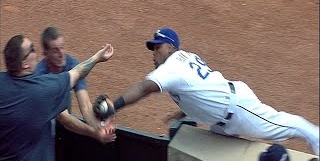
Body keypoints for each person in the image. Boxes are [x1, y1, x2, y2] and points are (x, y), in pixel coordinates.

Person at [110, 27, 319, 155]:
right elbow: (198, 90)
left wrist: (114, 105)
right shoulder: (183, 60)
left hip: (239, 110)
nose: (154, 53)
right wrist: (183, 112)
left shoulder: (172, 67)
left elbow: (143, 87)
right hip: (222, 118)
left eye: (158, 47)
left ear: (172, 48)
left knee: (290, 126)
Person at [0, 34, 116, 160]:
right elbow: (77, 74)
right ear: (24, 64)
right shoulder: (41, 90)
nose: (35, 51)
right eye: (32, 49)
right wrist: (97, 57)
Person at [35, 26, 104, 144]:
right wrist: (94, 133)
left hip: (62, 118)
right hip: (40, 124)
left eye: (62, 47)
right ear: (46, 54)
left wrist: (99, 128)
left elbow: (85, 106)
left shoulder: (72, 64)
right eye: (55, 50)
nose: (61, 54)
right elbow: (63, 117)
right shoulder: (40, 76)